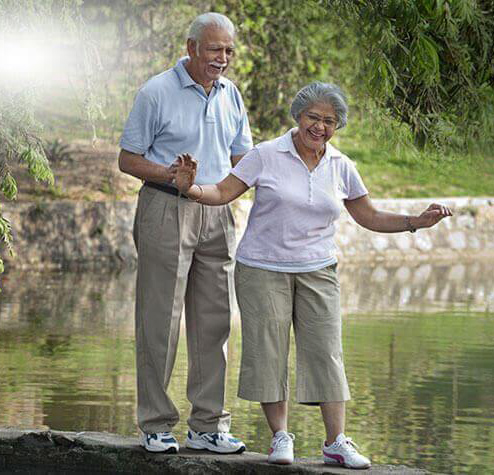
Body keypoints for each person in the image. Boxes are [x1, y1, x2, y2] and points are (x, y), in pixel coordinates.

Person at [173, 81, 452, 468]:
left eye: (329, 121)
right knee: (268, 353)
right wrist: (191, 189)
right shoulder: (266, 154)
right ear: (298, 116)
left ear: (337, 126)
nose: (320, 127)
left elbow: (368, 215)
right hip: (262, 268)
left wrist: (415, 222)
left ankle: (336, 441)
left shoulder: (340, 165)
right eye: (313, 118)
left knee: (326, 353)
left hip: (318, 269)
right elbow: (222, 192)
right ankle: (280, 436)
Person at [117, 12, 252, 455]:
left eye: (229, 50)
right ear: (192, 47)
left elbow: (243, 159)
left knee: (215, 321)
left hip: (217, 209)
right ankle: (155, 424)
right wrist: (171, 175)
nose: (223, 58)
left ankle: (208, 426)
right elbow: (127, 159)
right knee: (160, 320)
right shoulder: (156, 91)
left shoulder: (231, 94)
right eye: (215, 49)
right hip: (166, 208)